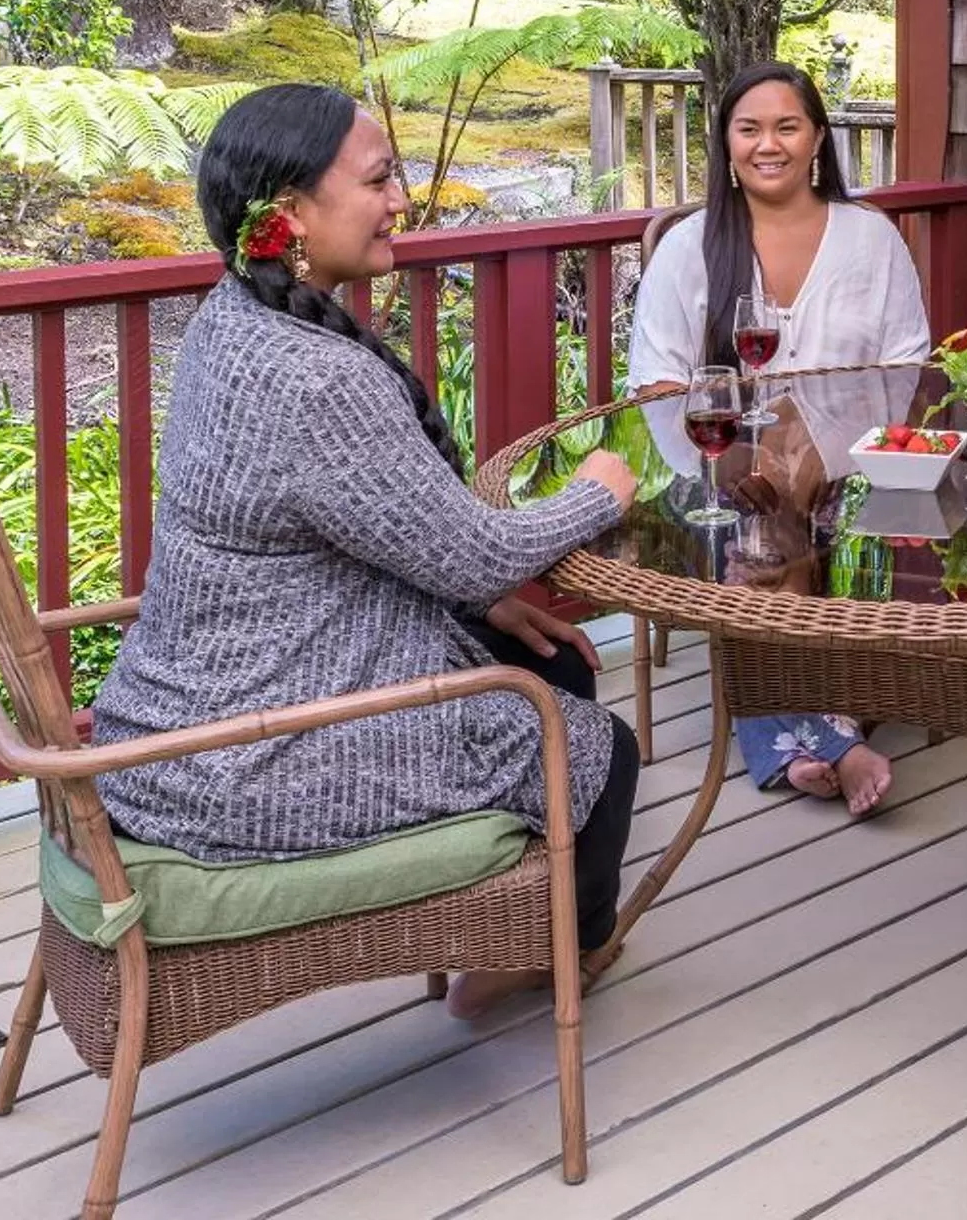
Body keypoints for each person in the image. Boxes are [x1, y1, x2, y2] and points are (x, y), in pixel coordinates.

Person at [89, 84, 641, 1021]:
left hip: (184, 719)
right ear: (291, 212)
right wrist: (599, 492)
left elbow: (375, 531)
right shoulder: (314, 376)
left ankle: (515, 914)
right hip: (244, 761)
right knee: (601, 747)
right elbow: (475, 556)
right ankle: (544, 947)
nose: (401, 201)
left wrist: (478, 604)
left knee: (555, 664)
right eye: (380, 180)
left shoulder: (233, 319)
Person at [628, 61, 930, 814]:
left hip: (848, 461)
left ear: (818, 137)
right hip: (718, 470)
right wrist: (729, 455)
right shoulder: (692, 245)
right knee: (758, 532)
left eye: (787, 126)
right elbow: (656, 381)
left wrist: (830, 450)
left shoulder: (871, 239)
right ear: (726, 142)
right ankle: (835, 739)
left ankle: (808, 736)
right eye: (750, 129)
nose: (769, 145)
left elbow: (906, 365)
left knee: (857, 522)